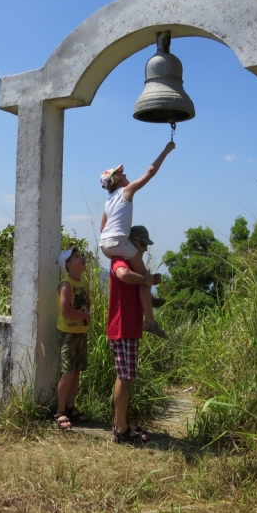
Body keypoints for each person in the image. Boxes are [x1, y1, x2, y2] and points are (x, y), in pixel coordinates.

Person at [99, 141, 175, 338]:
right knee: (146, 279)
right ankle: (150, 321)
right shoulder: (127, 191)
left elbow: (102, 227)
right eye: (121, 174)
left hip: (105, 244)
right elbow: (150, 172)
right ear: (116, 180)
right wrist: (165, 150)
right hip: (119, 242)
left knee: (145, 279)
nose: (125, 175)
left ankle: (149, 298)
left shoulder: (108, 200)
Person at [108, 225, 160, 444]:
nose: (145, 250)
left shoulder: (135, 264)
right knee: (124, 377)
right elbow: (123, 276)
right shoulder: (120, 259)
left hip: (131, 327)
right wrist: (146, 279)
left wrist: (149, 280)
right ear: (130, 242)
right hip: (122, 327)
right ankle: (121, 429)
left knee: (127, 378)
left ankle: (121, 422)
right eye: (142, 245)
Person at [53, 247, 91, 430]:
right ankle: (60, 411)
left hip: (80, 332)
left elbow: (87, 303)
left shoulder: (83, 284)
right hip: (68, 333)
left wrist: (86, 314)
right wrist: (84, 315)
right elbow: (66, 312)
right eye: (77, 257)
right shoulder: (66, 284)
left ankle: (71, 406)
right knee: (68, 372)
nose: (82, 258)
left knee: (76, 372)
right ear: (69, 264)